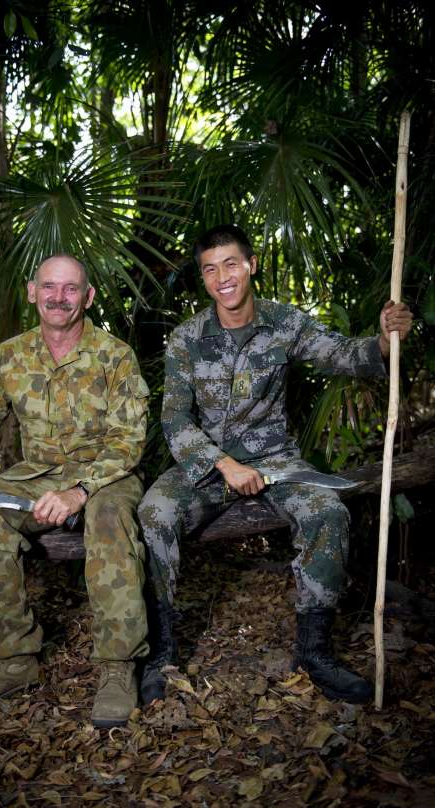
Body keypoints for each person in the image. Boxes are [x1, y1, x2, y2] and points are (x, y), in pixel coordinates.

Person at [138, 224, 413, 705]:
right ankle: (160, 654)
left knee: (327, 511)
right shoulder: (187, 338)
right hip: (206, 463)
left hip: (276, 461)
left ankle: (315, 651)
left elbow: (346, 356)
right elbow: (175, 418)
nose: (222, 277)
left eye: (230, 264)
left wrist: (387, 340)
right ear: (203, 279)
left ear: (251, 265)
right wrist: (223, 464)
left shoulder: (285, 322)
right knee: (154, 514)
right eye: (210, 269)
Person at [0, 255, 150, 728]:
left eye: (71, 289)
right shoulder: (10, 355)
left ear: (87, 297)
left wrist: (79, 491)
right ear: (33, 292)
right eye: (49, 287)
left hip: (106, 474)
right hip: (38, 473)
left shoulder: (115, 356)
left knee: (110, 519)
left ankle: (118, 666)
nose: (58, 297)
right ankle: (13, 661)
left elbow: (129, 442)